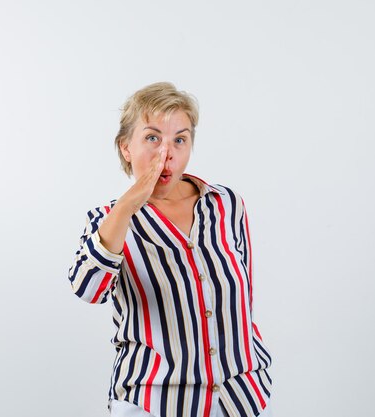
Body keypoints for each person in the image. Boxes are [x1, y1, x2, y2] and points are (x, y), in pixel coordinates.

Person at [68, 82, 273, 417]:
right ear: (126, 148)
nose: (167, 153)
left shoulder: (225, 204)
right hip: (154, 402)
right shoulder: (108, 220)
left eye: (180, 139)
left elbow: (243, 301)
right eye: (152, 138)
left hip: (239, 399)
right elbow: (88, 290)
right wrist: (127, 207)